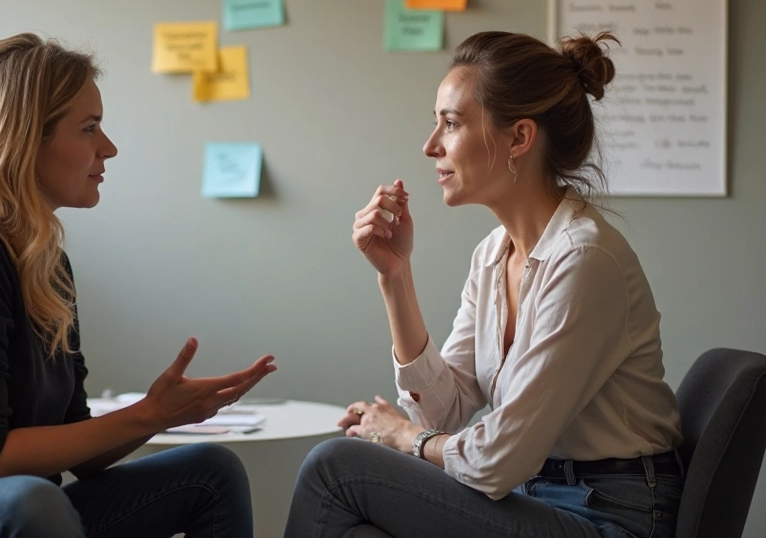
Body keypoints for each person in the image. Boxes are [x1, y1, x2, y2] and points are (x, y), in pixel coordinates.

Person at [0, 32, 276, 538]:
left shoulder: (46, 264)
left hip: (23, 508)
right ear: (24, 139)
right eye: (89, 128)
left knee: (210, 472)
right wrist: (146, 414)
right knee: (31, 502)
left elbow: (79, 445)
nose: (109, 148)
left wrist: (161, 414)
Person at [285, 31, 684, 538]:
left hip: (609, 514)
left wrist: (404, 436)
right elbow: (446, 408)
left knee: (335, 466)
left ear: (519, 138)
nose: (431, 146)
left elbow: (496, 459)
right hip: (536, 494)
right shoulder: (494, 253)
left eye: (450, 124)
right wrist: (395, 274)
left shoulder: (584, 259)